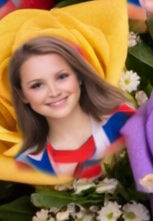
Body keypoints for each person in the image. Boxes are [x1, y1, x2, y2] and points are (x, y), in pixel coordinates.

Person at [8, 36, 135, 179]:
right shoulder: (27, 165)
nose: (54, 92)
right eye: (37, 85)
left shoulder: (125, 122)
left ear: (79, 76)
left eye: (62, 77)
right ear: (22, 95)